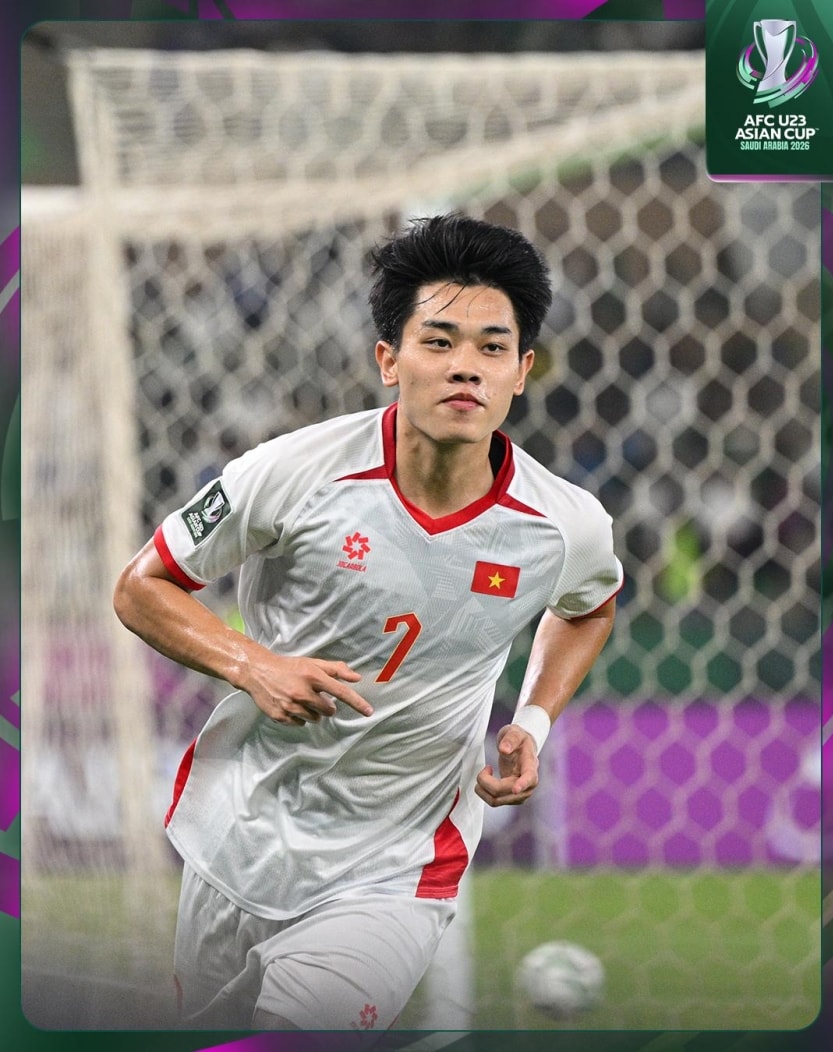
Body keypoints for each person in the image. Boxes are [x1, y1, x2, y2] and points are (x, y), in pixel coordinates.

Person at [113, 213, 623, 1039]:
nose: (465, 366)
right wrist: (254, 665)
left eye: (493, 348)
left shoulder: (564, 524)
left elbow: (591, 605)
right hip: (241, 837)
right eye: (439, 342)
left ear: (522, 371)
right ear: (389, 359)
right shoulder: (292, 473)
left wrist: (533, 719)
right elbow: (142, 585)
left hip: (396, 866)